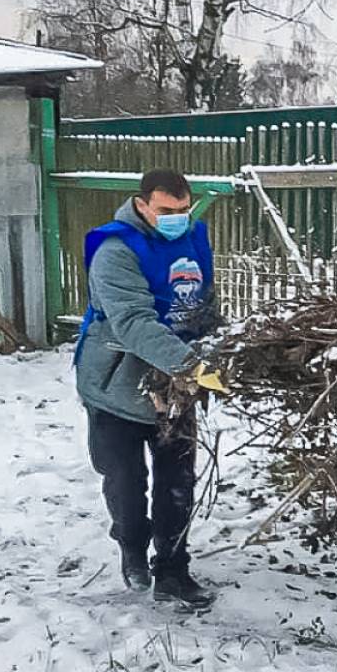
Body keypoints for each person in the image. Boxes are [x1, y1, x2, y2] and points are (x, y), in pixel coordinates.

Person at [74, 169, 226, 607]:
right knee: (125, 480)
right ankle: (132, 546)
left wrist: (224, 346)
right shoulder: (115, 249)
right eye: (166, 211)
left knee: (177, 481)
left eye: (183, 209)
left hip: (175, 387)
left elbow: (202, 304)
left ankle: (174, 571)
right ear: (142, 205)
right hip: (116, 383)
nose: (177, 218)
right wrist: (193, 366)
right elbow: (134, 323)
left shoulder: (194, 239)